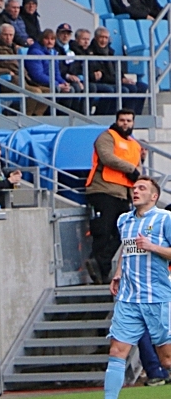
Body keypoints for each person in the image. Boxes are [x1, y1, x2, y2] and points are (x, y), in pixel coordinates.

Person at [86, 177, 171, 399]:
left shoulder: (164, 219)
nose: (135, 191)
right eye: (134, 188)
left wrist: (154, 246)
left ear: (154, 196)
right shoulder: (124, 220)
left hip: (156, 297)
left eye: (142, 188)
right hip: (129, 299)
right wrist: (119, 272)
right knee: (116, 351)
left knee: (166, 359)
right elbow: (127, 248)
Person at [85, 110, 142, 283]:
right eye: (122, 120)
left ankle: (100, 263)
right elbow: (107, 157)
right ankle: (100, 269)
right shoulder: (107, 136)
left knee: (122, 232)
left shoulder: (135, 145)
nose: (125, 123)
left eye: (129, 120)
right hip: (103, 189)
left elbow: (137, 168)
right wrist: (131, 169)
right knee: (103, 230)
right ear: (117, 121)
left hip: (123, 193)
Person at [88, 26, 148, 115]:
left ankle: (135, 115)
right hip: (105, 82)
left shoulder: (110, 52)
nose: (104, 40)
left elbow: (117, 70)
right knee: (127, 90)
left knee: (142, 86)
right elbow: (101, 75)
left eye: (106, 38)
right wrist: (119, 80)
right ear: (96, 38)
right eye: (101, 37)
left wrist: (124, 78)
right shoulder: (91, 52)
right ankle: (116, 114)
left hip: (115, 80)